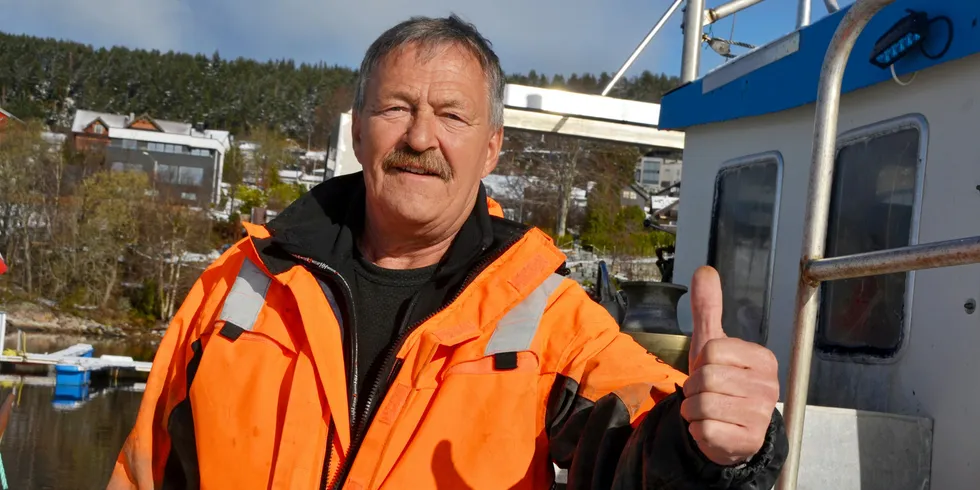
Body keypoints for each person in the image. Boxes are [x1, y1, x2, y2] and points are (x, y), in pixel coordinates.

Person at [108, 14, 787, 490]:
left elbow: (639, 434)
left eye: (453, 115)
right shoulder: (235, 289)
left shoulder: (545, 315)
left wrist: (714, 445)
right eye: (397, 107)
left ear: (491, 147)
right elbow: (142, 472)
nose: (420, 137)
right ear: (357, 129)